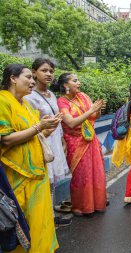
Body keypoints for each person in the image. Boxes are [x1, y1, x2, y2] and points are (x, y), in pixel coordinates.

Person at [0, 64, 61, 252]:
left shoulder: (25, 104)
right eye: (28, 77)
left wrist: (47, 130)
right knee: (21, 222)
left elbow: (33, 135)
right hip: (16, 175)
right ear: (13, 78)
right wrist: (38, 128)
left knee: (40, 222)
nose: (33, 81)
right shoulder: (3, 101)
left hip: (37, 172)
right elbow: (6, 139)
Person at [24, 58, 71, 226]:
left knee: (52, 180)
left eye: (51, 71)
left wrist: (61, 139)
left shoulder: (51, 94)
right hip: (41, 140)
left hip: (55, 141)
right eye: (44, 70)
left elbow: (57, 119)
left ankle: (50, 214)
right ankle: (43, 217)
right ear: (34, 72)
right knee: (44, 179)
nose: (49, 74)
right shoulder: (29, 96)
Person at [56, 73, 107, 216]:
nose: (79, 83)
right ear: (66, 85)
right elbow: (70, 123)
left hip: (90, 139)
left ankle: (97, 203)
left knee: (96, 172)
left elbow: (94, 117)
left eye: (78, 80)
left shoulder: (84, 96)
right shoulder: (62, 101)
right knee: (81, 175)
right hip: (75, 142)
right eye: (75, 80)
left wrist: (97, 111)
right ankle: (81, 206)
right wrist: (91, 110)